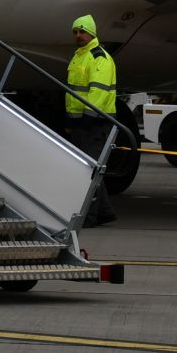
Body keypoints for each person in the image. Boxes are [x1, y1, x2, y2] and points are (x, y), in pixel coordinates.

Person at [66, 14, 120, 227]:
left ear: (92, 33)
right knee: (92, 170)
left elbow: (98, 93)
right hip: (81, 122)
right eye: (75, 32)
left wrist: (85, 121)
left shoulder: (99, 58)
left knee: (90, 172)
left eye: (82, 31)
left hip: (96, 123)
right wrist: (71, 121)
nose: (78, 35)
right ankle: (105, 212)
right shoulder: (79, 56)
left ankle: (90, 216)